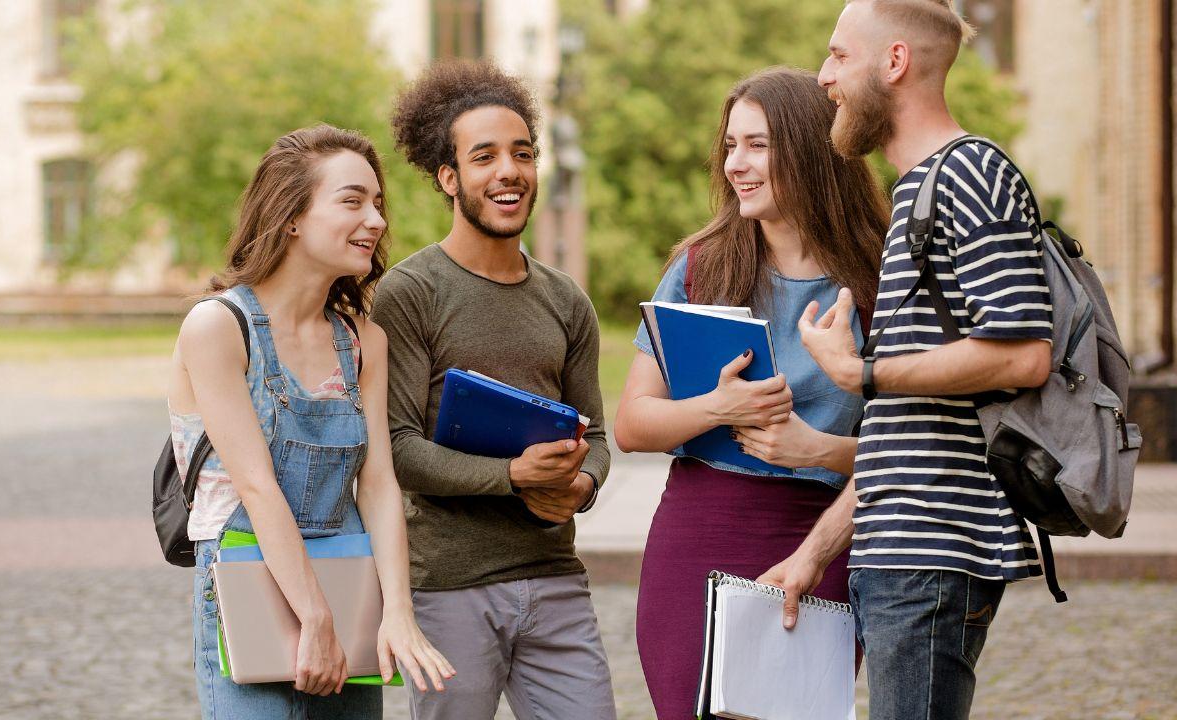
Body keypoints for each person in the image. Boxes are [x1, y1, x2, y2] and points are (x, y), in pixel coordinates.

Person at [758, 2, 1055, 718]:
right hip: (901, 555)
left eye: (838, 56)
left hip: (935, 556)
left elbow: (1023, 356)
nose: (823, 76)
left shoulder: (970, 173)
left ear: (893, 63)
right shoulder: (918, 192)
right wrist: (813, 553)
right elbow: (906, 433)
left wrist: (859, 372)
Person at [612, 66, 888, 720]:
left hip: (821, 539)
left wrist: (816, 449)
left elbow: (909, 447)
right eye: (730, 145)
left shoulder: (879, 278)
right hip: (697, 533)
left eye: (757, 145)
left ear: (810, 149)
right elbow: (631, 424)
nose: (736, 163)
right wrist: (722, 408)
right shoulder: (702, 266)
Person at [167, 124, 454, 719]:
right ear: (291, 216)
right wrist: (313, 616)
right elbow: (256, 486)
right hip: (250, 585)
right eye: (352, 201)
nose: (375, 220)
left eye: (377, 203)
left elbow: (377, 485)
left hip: (349, 582)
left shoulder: (362, 340)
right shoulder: (217, 328)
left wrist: (396, 610)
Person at [371, 59, 616, 720]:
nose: (508, 170)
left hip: (555, 579)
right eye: (485, 157)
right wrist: (513, 474)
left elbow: (594, 435)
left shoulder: (566, 300)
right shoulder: (409, 294)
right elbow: (396, 450)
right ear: (449, 178)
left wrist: (579, 486)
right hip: (448, 589)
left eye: (523, 153)